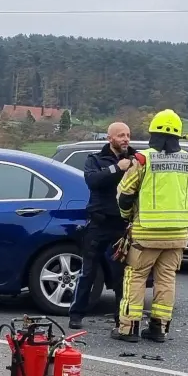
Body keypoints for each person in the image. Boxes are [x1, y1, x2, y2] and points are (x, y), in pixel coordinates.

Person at [114, 109, 188, 342]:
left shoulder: (143, 160)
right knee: (167, 279)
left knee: (136, 277)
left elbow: (125, 195)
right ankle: (159, 328)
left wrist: (127, 217)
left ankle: (128, 328)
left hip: (146, 234)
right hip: (178, 234)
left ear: (153, 133)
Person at [71, 121, 136, 330]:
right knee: (88, 272)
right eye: (121, 135)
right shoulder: (95, 159)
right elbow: (93, 181)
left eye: (128, 135)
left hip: (121, 226)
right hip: (98, 224)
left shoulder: (136, 158)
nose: (126, 139)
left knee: (120, 275)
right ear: (110, 138)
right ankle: (76, 315)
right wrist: (117, 168)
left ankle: (121, 319)